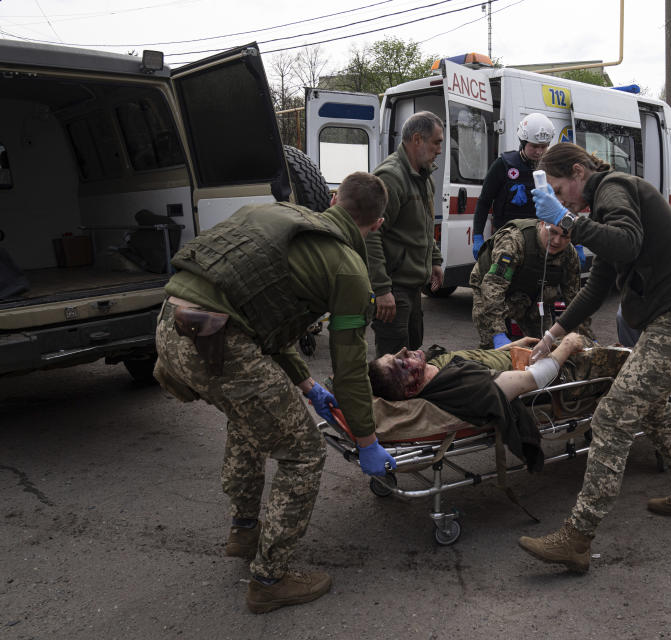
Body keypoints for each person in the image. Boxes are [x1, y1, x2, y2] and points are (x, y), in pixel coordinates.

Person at [152, 172, 397, 614]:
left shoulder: (282, 217)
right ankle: (270, 579)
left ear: (335, 199)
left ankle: (244, 530)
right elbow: (349, 366)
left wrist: (305, 384)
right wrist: (366, 440)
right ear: (377, 225)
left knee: (250, 420)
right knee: (303, 451)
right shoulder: (348, 268)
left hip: (171, 323)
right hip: (217, 342)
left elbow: (262, 311)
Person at [516, 143, 671, 573]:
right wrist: (552, 335)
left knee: (612, 415)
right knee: (651, 408)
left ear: (578, 171)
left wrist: (567, 219)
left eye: (559, 188)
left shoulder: (615, 189)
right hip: (670, 319)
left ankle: (578, 537)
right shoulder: (600, 210)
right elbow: (596, 286)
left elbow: (627, 244)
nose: (561, 198)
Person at [368, 334, 585, 471]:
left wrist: (510, 347)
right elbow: (533, 379)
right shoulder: (466, 387)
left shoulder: (432, 372)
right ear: (411, 389)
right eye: (400, 362)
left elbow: (473, 360)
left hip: (526, 355)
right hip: (569, 372)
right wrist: (567, 344)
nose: (405, 351)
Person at [369, 111, 445, 357]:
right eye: (437, 142)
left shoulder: (424, 177)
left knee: (412, 350)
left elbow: (424, 224)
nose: (440, 150)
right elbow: (371, 235)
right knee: (393, 362)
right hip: (394, 287)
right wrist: (381, 290)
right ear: (417, 140)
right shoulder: (391, 177)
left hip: (413, 288)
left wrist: (434, 260)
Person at [469, 218, 595, 348]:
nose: (557, 241)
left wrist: (587, 337)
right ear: (542, 225)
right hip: (490, 289)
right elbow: (493, 286)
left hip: (531, 295)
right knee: (494, 350)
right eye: (553, 232)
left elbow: (575, 299)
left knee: (543, 346)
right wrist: (498, 334)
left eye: (564, 236)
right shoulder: (514, 241)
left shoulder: (569, 256)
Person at [472, 113, 556, 259]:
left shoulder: (552, 167)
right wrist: (477, 235)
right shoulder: (503, 165)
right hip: (506, 237)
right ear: (523, 143)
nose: (539, 152)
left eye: (544, 147)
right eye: (534, 146)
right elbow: (484, 201)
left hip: (539, 237)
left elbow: (564, 204)